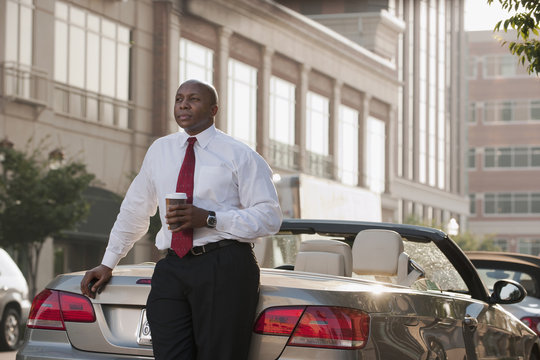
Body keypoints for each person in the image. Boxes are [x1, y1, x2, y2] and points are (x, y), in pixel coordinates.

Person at [80, 79, 283, 360]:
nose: (184, 104)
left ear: (213, 109)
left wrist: (209, 219)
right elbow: (135, 209)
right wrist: (108, 261)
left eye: (193, 99)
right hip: (173, 265)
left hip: (225, 266)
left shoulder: (241, 155)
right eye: (178, 98)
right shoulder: (160, 150)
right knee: (170, 353)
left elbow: (270, 217)